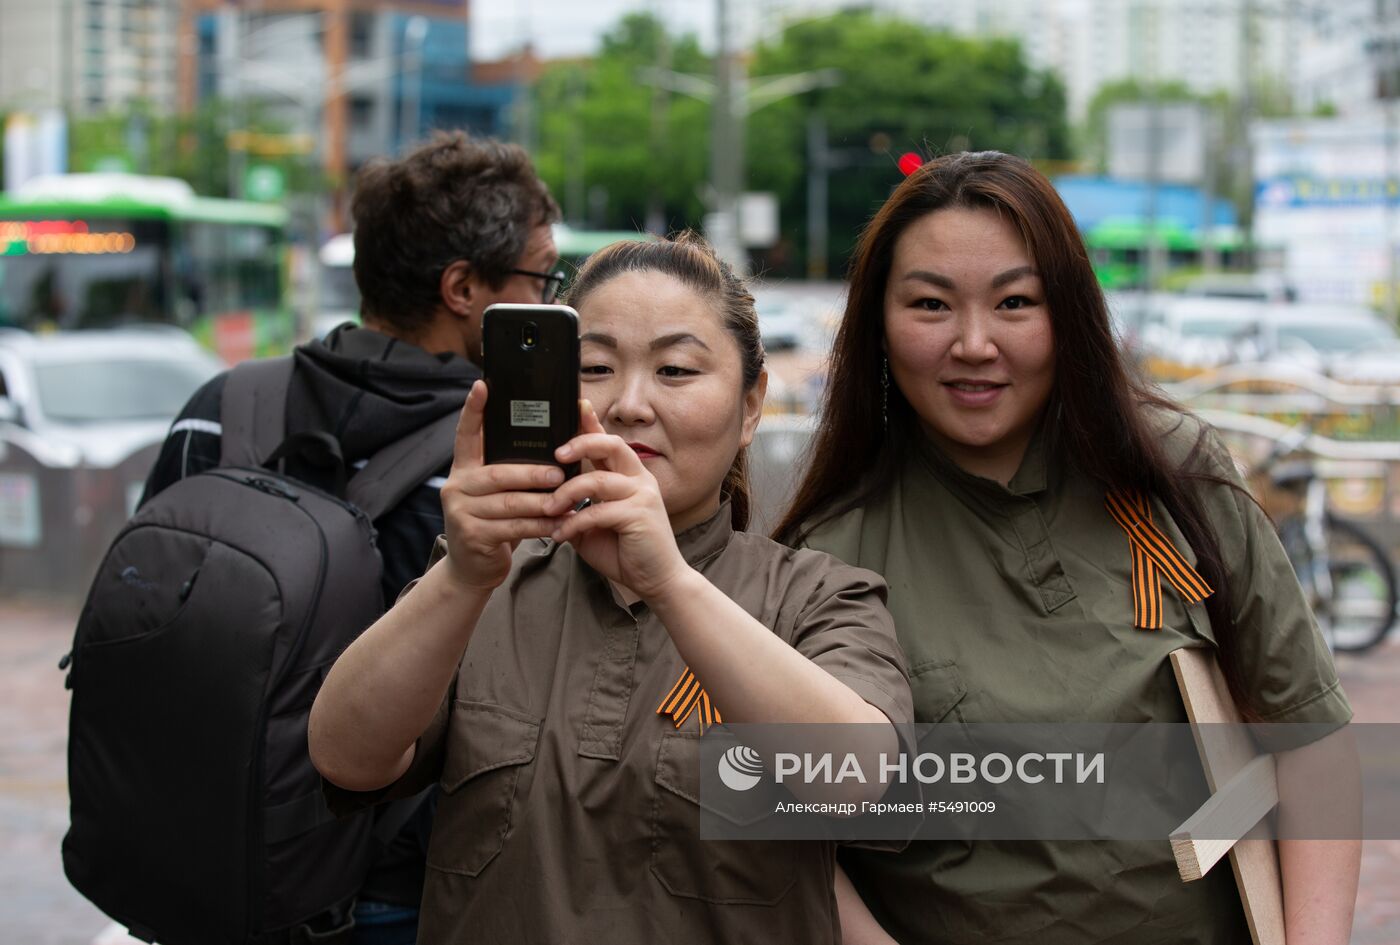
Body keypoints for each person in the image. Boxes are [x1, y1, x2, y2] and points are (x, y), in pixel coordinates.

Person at [773, 151, 1360, 945]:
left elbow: (1309, 736)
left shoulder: (1171, 471)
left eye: (1016, 301)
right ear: (877, 319)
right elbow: (795, 837)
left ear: (1071, 313)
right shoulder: (831, 551)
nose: (974, 343)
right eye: (930, 304)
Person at [307, 233, 914, 944]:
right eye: (594, 366)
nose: (629, 403)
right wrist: (463, 574)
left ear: (752, 404)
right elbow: (345, 756)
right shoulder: (488, 581)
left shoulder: (816, 596)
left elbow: (864, 784)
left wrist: (668, 581)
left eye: (677, 370)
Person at [139, 130, 561, 945]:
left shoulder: (222, 405)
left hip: (210, 862)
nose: (548, 301)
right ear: (464, 288)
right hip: (402, 885)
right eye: (541, 278)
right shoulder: (498, 464)